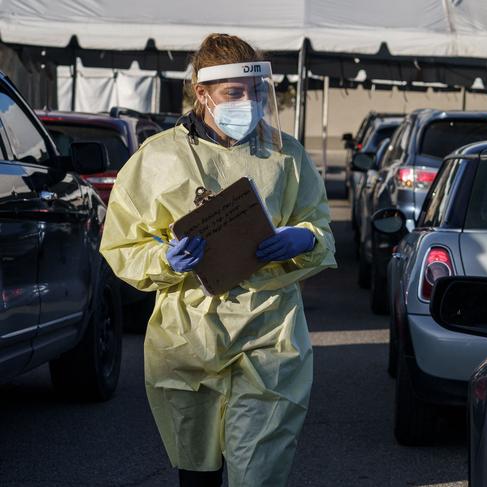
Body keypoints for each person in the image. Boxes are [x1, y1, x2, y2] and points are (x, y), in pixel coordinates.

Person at [99, 33, 336, 487]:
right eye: (234, 92)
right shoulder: (159, 158)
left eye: (256, 92)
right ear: (202, 93)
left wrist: (302, 240)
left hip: (269, 334)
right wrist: (166, 259)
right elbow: (123, 245)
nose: (248, 102)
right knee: (197, 472)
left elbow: (319, 225)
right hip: (188, 337)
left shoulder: (286, 154)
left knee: (259, 470)